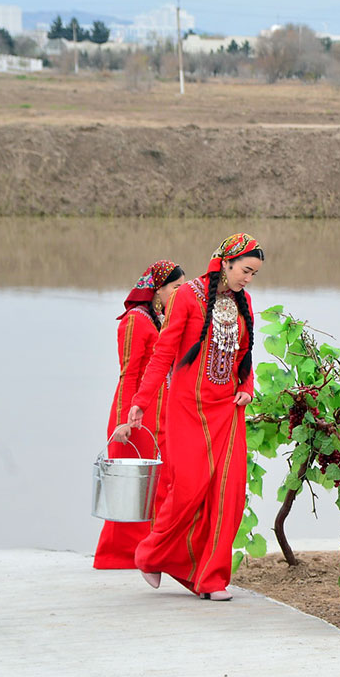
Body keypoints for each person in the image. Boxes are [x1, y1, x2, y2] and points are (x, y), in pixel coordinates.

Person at [124, 233, 264, 601]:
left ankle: (211, 578)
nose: (248, 279)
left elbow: (245, 357)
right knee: (188, 489)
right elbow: (163, 353)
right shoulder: (188, 296)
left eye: (253, 274)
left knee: (228, 495)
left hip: (229, 411)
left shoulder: (243, 302)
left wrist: (247, 387)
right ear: (226, 262)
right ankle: (151, 553)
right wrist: (141, 400)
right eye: (245, 270)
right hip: (188, 408)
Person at [94, 260, 186, 569]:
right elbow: (128, 374)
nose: (180, 293)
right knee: (133, 489)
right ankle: (117, 557)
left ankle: (148, 553)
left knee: (158, 486)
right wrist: (123, 420)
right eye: (175, 288)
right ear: (158, 289)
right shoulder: (134, 321)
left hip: (160, 417)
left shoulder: (159, 319)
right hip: (136, 419)